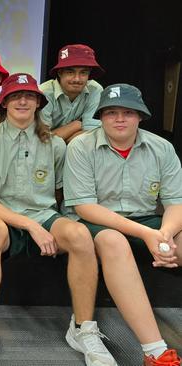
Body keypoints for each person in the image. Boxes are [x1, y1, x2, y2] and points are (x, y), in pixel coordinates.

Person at [0, 74, 114, 366]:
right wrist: (29, 226)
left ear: (38, 103)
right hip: (2, 215)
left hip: (44, 215)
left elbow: (59, 194)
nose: (22, 101)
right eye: (15, 96)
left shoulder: (56, 145)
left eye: (29, 96)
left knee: (80, 235)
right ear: (3, 103)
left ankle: (83, 329)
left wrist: (55, 227)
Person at [64, 83, 182, 365]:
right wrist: (149, 234)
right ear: (101, 117)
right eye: (111, 112)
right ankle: (156, 352)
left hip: (147, 220)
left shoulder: (161, 147)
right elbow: (85, 207)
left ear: (140, 116)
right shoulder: (81, 146)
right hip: (96, 221)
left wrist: (165, 235)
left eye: (128, 112)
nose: (119, 119)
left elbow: (175, 202)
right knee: (113, 240)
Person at [39, 44, 104, 143]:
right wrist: (76, 125)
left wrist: (65, 138)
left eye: (83, 73)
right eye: (70, 72)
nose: (77, 79)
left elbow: (93, 133)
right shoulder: (43, 93)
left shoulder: (95, 90)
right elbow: (42, 139)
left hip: (79, 150)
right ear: (60, 73)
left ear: (89, 74)